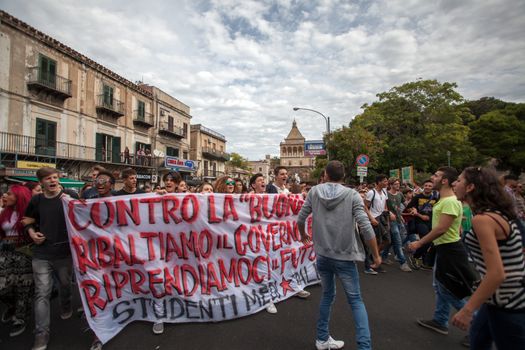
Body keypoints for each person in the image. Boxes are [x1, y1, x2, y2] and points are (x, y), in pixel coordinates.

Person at [297, 160, 381, 350]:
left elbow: (301, 218)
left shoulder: (314, 192)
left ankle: (322, 339)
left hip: (323, 255)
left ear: (325, 174)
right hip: (344, 256)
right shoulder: (352, 195)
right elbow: (366, 227)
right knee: (356, 301)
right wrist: (376, 255)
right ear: (343, 177)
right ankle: (364, 347)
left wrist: (303, 235)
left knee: (327, 295)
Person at [451, 167, 524, 349]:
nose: (454, 183)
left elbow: (497, 274)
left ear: (470, 187)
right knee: (478, 338)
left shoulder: (483, 219)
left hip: (509, 302)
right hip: (497, 297)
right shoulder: (496, 213)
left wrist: (468, 310)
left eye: (459, 180)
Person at [408, 167, 467, 339]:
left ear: (444, 181)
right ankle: (440, 320)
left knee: (447, 289)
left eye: (436, 175)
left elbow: (441, 228)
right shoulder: (443, 199)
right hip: (443, 248)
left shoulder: (449, 201)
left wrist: (419, 243)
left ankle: (476, 324)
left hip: (449, 250)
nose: (432, 178)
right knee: (440, 286)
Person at [23, 167, 76, 350]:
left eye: (54, 177)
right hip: (42, 254)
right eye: (48, 179)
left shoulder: (69, 196)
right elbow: (27, 220)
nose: (52, 181)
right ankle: (41, 334)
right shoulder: (36, 200)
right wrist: (32, 233)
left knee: (65, 285)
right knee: (41, 293)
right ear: (41, 182)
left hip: (64, 254)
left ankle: (66, 303)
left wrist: (72, 204)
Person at [0, 184, 33, 337]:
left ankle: (20, 318)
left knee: (22, 288)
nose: (5, 196)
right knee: (3, 287)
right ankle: (11, 306)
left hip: (23, 253)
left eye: (9, 194)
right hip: (5, 253)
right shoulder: (3, 213)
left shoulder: (29, 214)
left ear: (18, 197)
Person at [363, 174, 393, 274]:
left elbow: (385, 206)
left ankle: (374, 256)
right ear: (379, 182)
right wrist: (371, 218)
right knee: (376, 241)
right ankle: (373, 263)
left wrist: (388, 217)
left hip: (382, 218)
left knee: (386, 240)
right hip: (374, 218)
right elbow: (365, 207)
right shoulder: (372, 193)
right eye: (384, 181)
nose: (386, 183)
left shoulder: (384, 192)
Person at [381, 178, 412, 272]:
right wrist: (389, 213)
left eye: (398, 184)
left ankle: (383, 256)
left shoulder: (400, 194)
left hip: (399, 220)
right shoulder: (386, 194)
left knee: (391, 241)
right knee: (398, 242)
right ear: (390, 185)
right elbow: (382, 207)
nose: (397, 185)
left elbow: (406, 203)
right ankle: (403, 263)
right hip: (390, 221)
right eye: (395, 184)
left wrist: (412, 208)